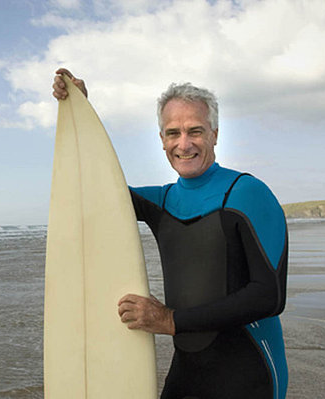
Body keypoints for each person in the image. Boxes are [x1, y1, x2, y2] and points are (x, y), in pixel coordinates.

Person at [52, 68, 289, 399]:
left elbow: (269, 296)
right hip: (188, 372)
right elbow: (95, 191)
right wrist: (80, 111)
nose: (184, 143)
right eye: (173, 132)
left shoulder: (247, 193)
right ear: (162, 139)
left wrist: (169, 319)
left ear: (215, 134)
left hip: (249, 371)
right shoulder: (161, 201)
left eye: (195, 131)